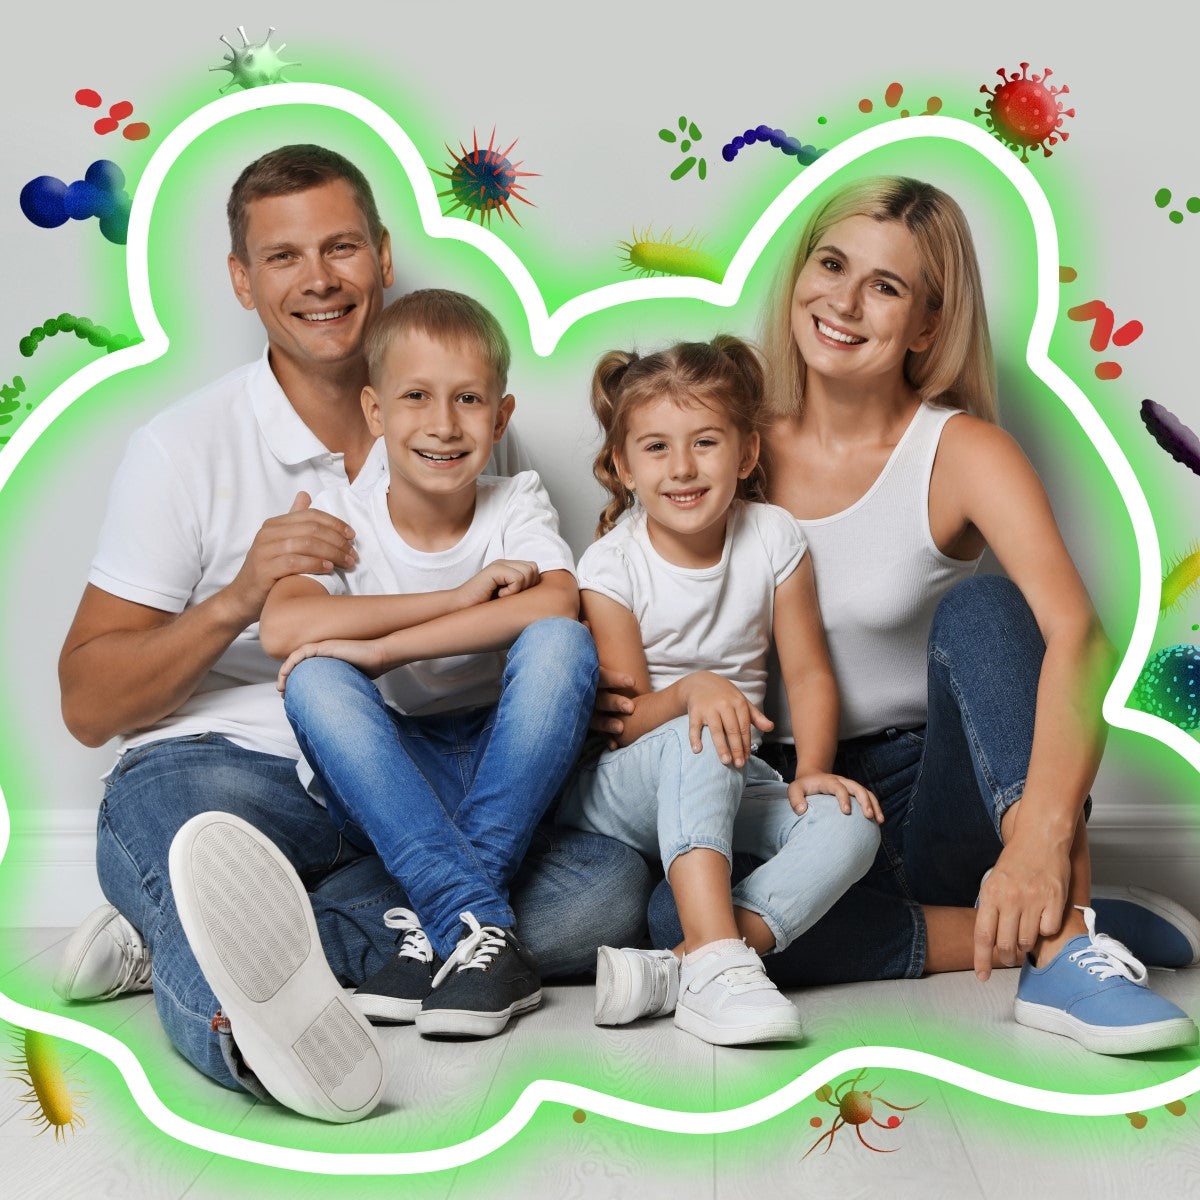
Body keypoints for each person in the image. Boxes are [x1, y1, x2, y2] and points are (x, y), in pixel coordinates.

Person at [54, 145, 651, 1121]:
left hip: (406, 788)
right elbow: (87, 705)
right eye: (283, 257)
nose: (320, 278)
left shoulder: (455, 413)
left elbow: (539, 606)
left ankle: (187, 931)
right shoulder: (181, 449)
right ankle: (245, 1034)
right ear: (243, 281)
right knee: (193, 830)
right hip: (234, 775)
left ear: (381, 256)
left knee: (603, 895)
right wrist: (237, 595)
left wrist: (434, 631)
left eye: (340, 247)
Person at [622, 176, 1199, 1055]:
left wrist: (1043, 837)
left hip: (933, 801)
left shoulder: (961, 449)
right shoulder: (727, 447)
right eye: (832, 265)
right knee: (678, 911)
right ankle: (1007, 923)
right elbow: (634, 576)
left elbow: (1082, 641)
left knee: (987, 607)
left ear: (927, 326)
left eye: (885, 287)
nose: (843, 301)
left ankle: (1058, 940)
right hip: (782, 798)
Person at [263, 289, 597, 1040]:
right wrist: (457, 598)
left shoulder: (516, 500)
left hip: (506, 773)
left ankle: (439, 928)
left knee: (563, 647)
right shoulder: (339, 512)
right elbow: (287, 624)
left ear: (501, 417)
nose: (444, 425)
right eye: (416, 397)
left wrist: (382, 648)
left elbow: (556, 607)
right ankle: (478, 929)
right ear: (376, 413)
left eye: (468, 399)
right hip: (395, 779)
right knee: (315, 678)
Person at [555, 337, 881, 1046]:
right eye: (656, 448)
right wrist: (693, 692)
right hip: (625, 783)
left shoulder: (771, 535)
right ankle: (713, 960)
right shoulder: (611, 563)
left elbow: (809, 672)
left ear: (746, 454)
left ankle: (690, 965)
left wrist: (818, 770)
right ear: (622, 466)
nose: (683, 468)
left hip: (735, 771)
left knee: (852, 823)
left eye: (705, 442)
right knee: (702, 735)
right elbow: (625, 721)